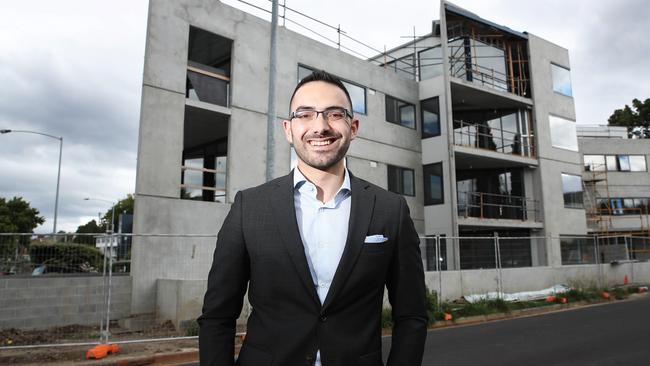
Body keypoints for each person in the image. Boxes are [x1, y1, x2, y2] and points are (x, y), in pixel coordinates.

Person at [198, 70, 427, 366]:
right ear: (288, 129)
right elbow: (218, 316)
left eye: (334, 114)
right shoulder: (249, 206)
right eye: (305, 114)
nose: (320, 127)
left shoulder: (390, 209)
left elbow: (411, 315)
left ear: (353, 126)